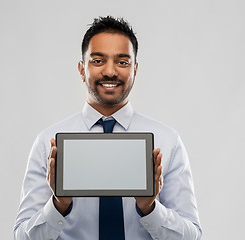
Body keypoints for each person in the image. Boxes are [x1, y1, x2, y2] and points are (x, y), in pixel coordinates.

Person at [13, 16, 202, 240]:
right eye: (98, 61)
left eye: (122, 62)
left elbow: (192, 236)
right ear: (82, 69)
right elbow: (22, 237)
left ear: (135, 69)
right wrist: (58, 204)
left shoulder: (167, 142)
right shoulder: (48, 144)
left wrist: (150, 208)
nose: (110, 72)